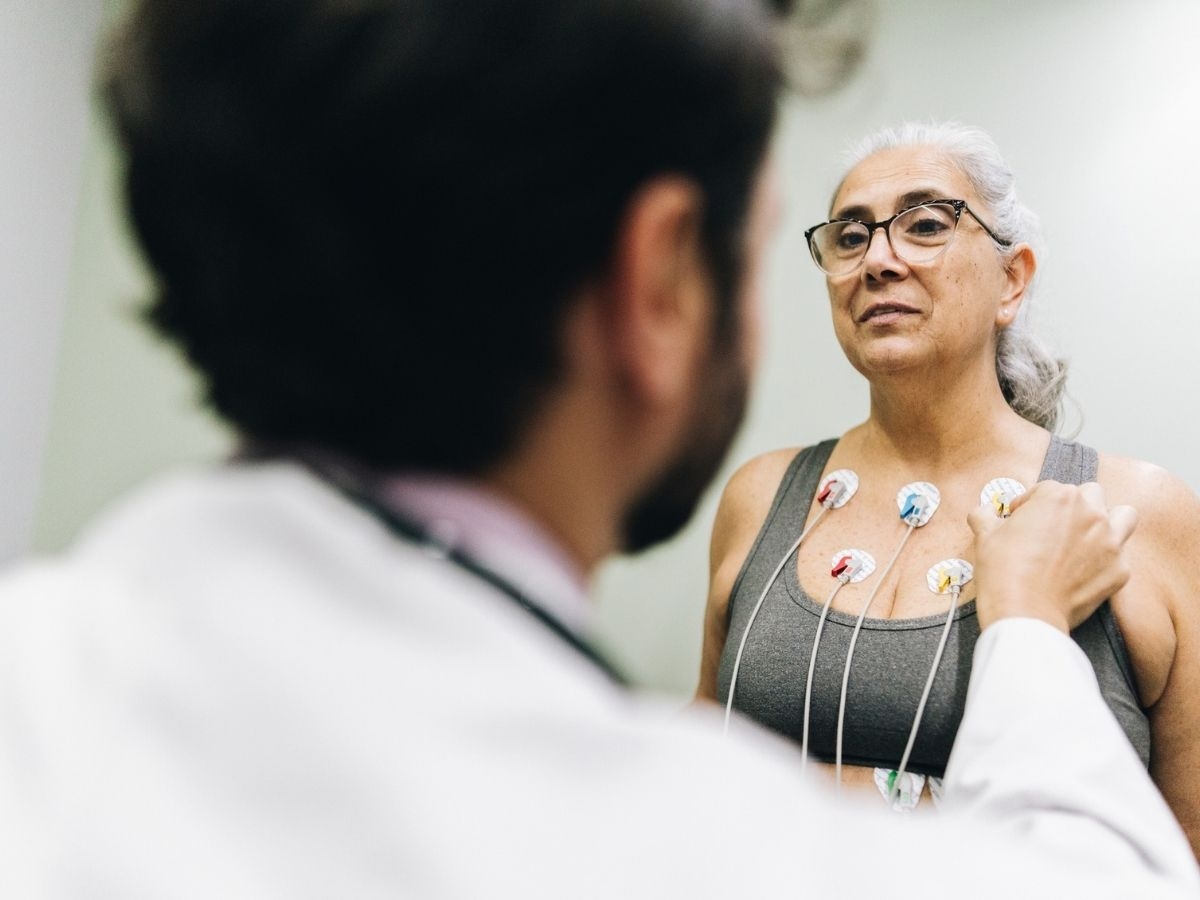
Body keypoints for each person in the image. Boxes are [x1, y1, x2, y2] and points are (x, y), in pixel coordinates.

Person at [0, 4, 1195, 896]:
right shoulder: (678, 839)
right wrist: (1029, 632)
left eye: (927, 226)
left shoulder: (35, 682)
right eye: (833, 234)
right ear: (660, 280)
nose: (878, 258)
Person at [699, 120, 1200, 845]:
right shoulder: (759, 496)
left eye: (926, 224)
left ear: (1013, 278)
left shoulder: (1137, 513)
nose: (878, 259)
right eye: (849, 236)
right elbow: (701, 762)